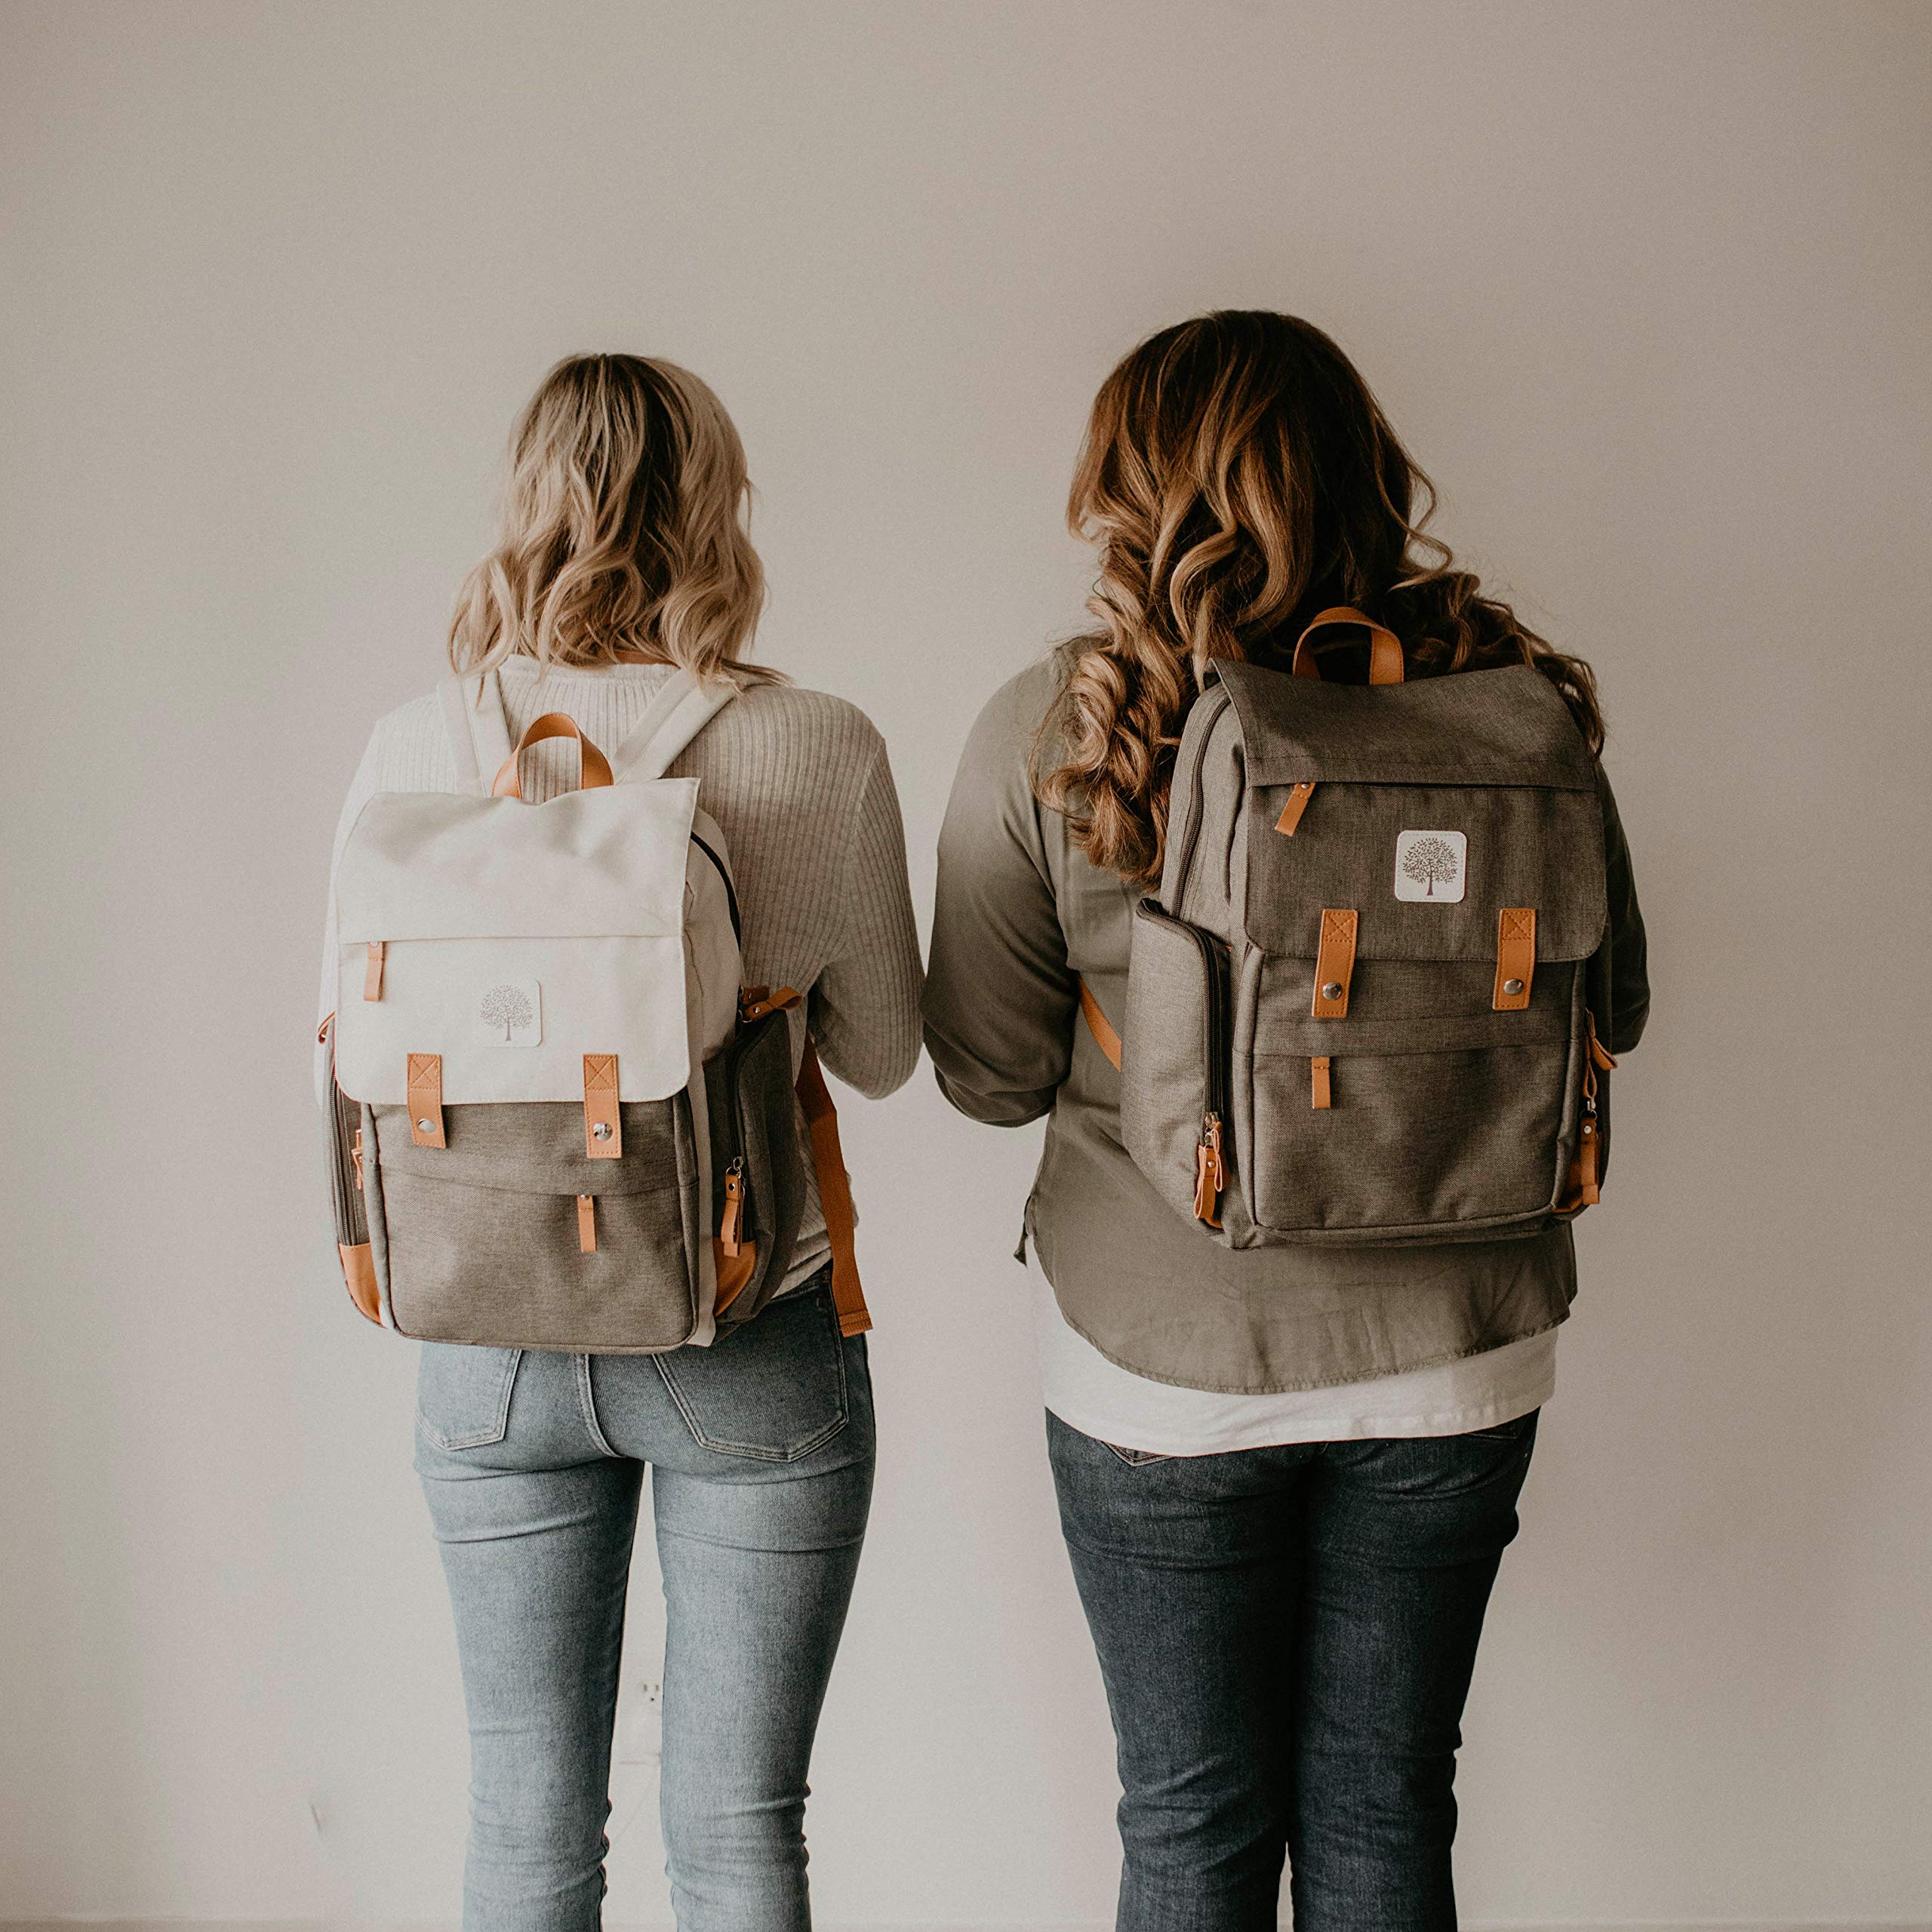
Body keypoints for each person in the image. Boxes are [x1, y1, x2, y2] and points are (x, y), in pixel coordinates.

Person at [924, 310, 1647, 1932]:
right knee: (1386, 1799)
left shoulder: (1059, 727)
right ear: (1365, 475)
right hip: (1458, 1339)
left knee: (1190, 1824)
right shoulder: (1512, 714)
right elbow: (1616, 1006)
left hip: (1159, 1356)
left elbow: (984, 1070)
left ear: (1130, 493)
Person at [316, 353, 921, 1932]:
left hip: (485, 1331)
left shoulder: (409, 749)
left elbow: (345, 1046)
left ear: (522, 503)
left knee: (523, 1823)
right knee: (735, 1832)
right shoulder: (816, 743)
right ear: (717, 510)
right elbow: (882, 1053)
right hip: (744, 1313)